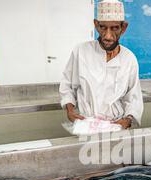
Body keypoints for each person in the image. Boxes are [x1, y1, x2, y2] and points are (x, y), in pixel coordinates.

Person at [59, 0, 143, 131]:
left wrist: (127, 120)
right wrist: (70, 111)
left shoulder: (129, 59)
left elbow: (134, 98)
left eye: (115, 28)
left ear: (123, 28)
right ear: (96, 25)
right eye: (103, 27)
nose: (108, 36)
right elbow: (67, 86)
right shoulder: (81, 51)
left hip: (116, 126)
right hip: (86, 125)